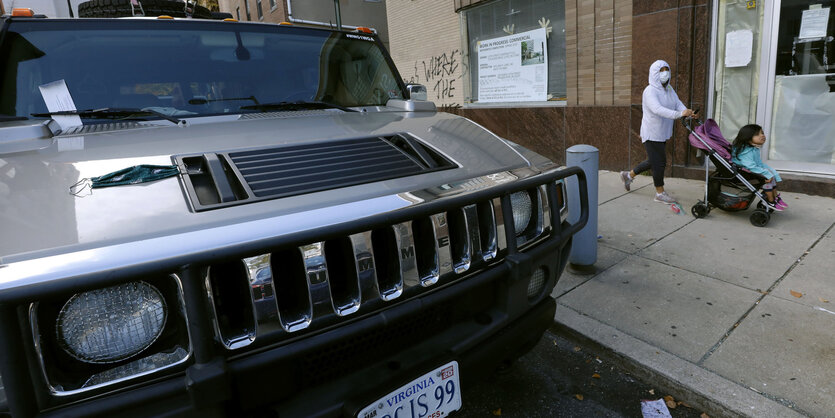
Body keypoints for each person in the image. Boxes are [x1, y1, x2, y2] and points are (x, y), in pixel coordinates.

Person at [620, 60, 697, 204]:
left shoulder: (669, 89)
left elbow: (677, 103)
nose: (665, 73)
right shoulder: (649, 91)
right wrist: (679, 114)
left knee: (653, 161)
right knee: (659, 163)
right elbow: (657, 109)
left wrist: (688, 112)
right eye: (661, 70)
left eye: (666, 70)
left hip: (662, 132)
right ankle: (660, 193)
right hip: (652, 132)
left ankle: (628, 175)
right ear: (655, 73)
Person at [731, 124, 787, 211]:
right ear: (748, 137)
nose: (762, 135)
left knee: (770, 175)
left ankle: (775, 197)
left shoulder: (753, 149)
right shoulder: (746, 152)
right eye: (758, 134)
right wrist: (767, 174)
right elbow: (751, 166)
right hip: (744, 173)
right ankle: (770, 201)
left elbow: (759, 164)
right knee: (767, 178)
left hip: (750, 171)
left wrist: (772, 172)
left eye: (762, 133)